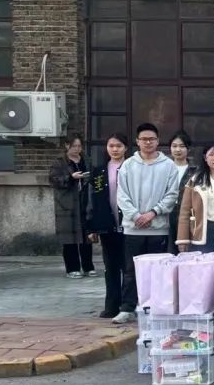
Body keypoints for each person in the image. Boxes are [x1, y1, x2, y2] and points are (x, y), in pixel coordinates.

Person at [113, 123, 180, 324]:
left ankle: (155, 308)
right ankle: (128, 308)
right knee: (130, 270)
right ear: (137, 141)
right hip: (133, 229)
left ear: (158, 141)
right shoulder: (128, 165)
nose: (148, 142)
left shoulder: (168, 166)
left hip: (158, 228)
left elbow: (172, 194)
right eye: (144, 139)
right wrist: (135, 216)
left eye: (151, 139)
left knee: (158, 270)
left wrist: (153, 213)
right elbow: (121, 195)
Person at [86, 133, 129, 318]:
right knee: (110, 267)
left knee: (128, 268)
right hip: (107, 225)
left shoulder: (132, 167)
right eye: (111, 146)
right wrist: (92, 227)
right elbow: (93, 200)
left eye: (119, 146)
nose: (115, 149)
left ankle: (128, 305)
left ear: (126, 148)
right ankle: (111, 305)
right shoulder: (99, 171)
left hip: (129, 226)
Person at [49, 133, 94, 279]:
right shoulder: (59, 162)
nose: (77, 149)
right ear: (67, 145)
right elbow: (54, 180)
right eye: (74, 146)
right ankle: (72, 268)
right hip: (67, 203)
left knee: (86, 236)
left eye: (79, 146)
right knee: (69, 239)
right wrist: (71, 177)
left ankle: (88, 266)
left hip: (84, 201)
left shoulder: (86, 159)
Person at [167, 131, 194, 255]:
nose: (178, 149)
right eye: (174, 146)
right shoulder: (164, 168)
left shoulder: (195, 170)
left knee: (187, 251)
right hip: (166, 213)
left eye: (182, 146)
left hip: (188, 214)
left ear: (188, 149)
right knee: (169, 251)